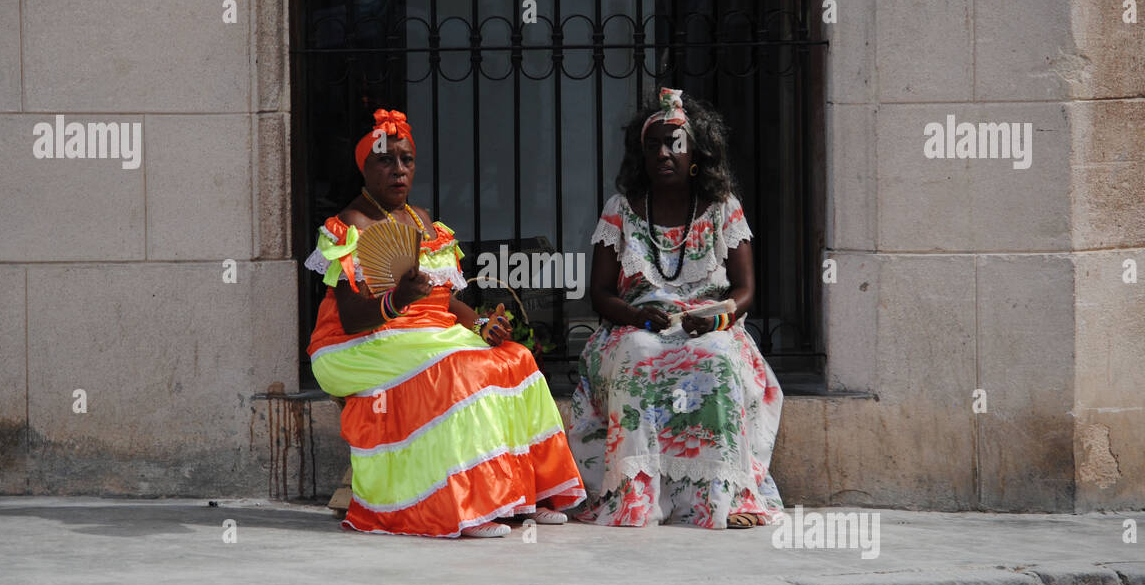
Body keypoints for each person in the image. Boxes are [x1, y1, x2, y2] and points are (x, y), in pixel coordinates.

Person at [305, 108, 586, 538]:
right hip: (360, 343)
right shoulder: (349, 226)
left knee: (515, 358)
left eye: (407, 160)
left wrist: (481, 327)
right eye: (386, 159)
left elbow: (448, 300)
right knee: (460, 369)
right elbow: (351, 317)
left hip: (430, 333)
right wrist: (398, 298)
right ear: (364, 168)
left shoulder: (423, 221)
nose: (398, 169)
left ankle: (520, 496)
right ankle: (467, 504)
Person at [567, 89, 785, 529]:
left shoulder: (724, 209)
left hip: (710, 322)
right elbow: (601, 293)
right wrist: (634, 317)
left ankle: (722, 498)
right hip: (638, 323)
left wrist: (718, 319)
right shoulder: (621, 212)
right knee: (638, 355)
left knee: (719, 358)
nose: (665, 153)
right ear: (641, 157)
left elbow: (745, 289)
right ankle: (635, 497)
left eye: (676, 144)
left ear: (697, 154)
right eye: (654, 146)